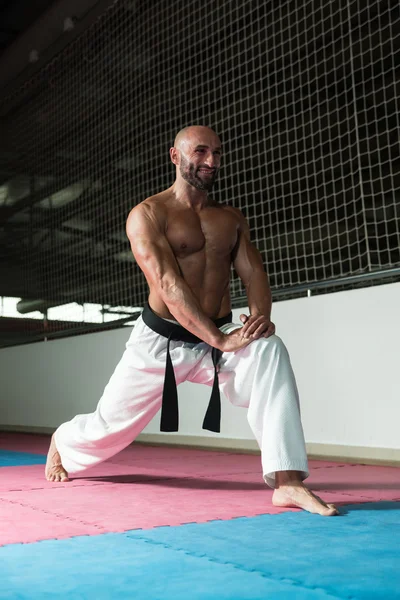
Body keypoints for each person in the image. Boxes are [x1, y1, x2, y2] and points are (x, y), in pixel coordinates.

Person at [46, 125, 338, 516]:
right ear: (175, 156)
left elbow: (253, 273)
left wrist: (260, 317)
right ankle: (64, 441)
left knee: (269, 350)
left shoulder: (230, 218)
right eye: (201, 152)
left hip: (217, 340)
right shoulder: (148, 214)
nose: (211, 161)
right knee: (110, 427)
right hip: (160, 342)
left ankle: (288, 481)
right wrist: (219, 338)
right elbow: (167, 283)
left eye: (217, 153)